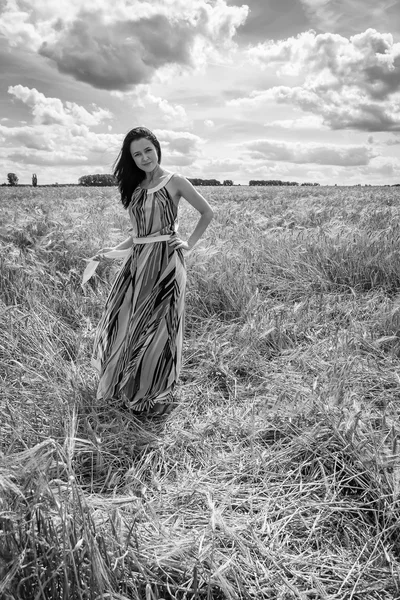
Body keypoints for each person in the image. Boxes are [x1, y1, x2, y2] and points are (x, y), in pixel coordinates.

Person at [91, 126, 214, 416]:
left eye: (148, 150)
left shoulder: (175, 181)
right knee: (131, 322)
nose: (144, 157)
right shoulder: (136, 188)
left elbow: (207, 212)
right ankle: (134, 383)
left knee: (161, 327)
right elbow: (137, 235)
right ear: (131, 159)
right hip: (138, 263)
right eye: (137, 154)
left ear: (157, 148)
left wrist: (189, 244)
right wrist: (110, 253)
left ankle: (158, 393)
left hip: (166, 262)